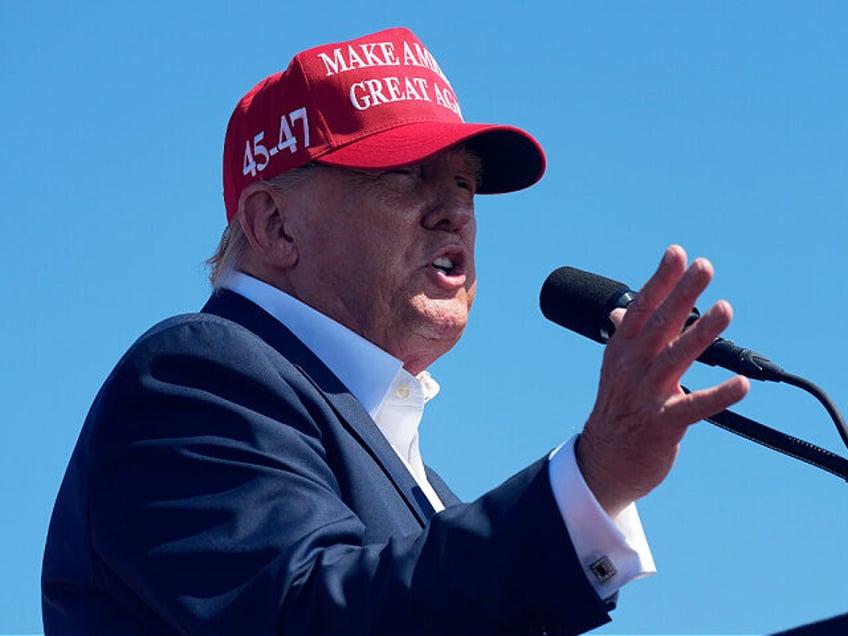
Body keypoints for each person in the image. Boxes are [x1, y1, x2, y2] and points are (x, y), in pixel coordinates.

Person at [42, 27, 749, 635]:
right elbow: (313, 616)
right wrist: (589, 482)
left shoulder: (431, 492)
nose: (454, 212)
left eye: (466, 185)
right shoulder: (192, 377)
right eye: (406, 174)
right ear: (274, 224)